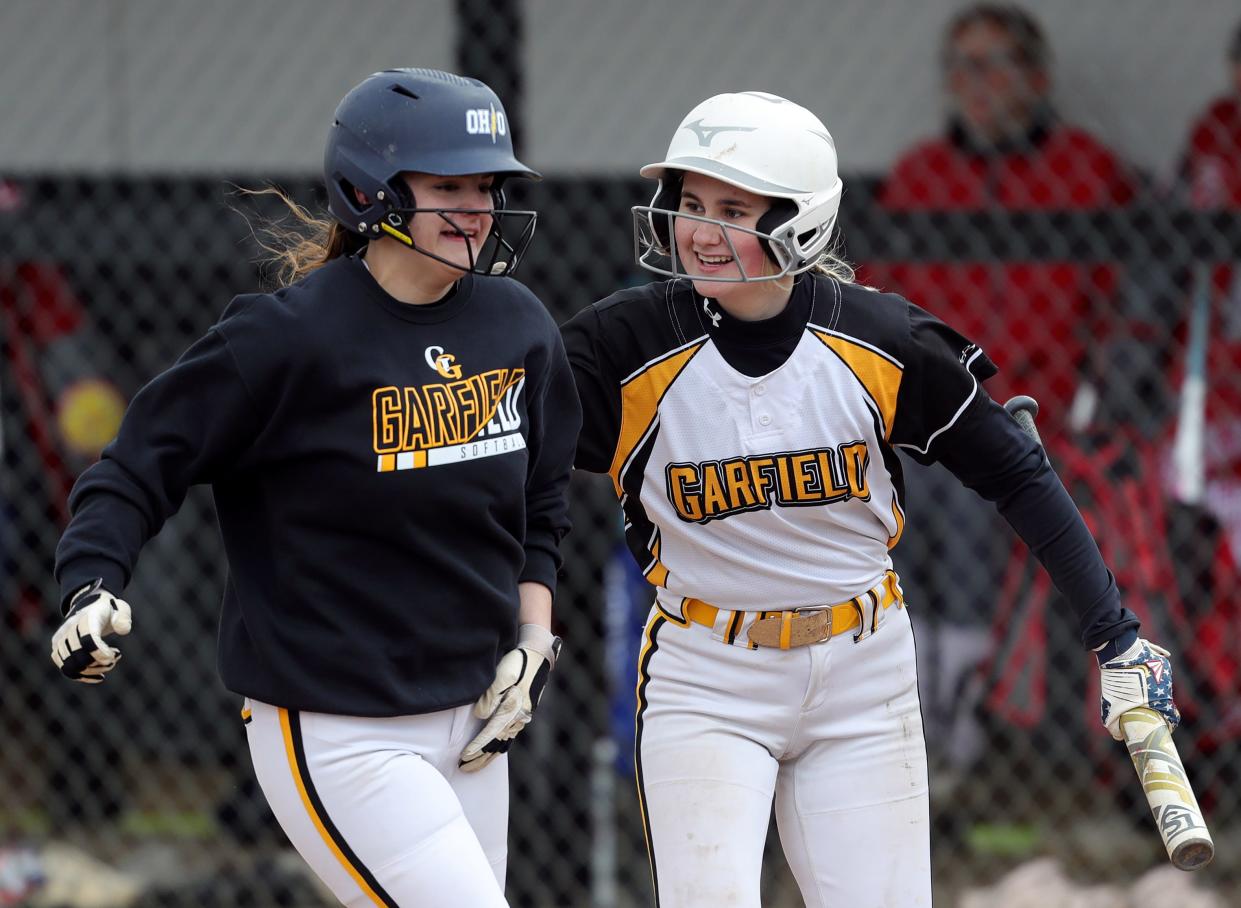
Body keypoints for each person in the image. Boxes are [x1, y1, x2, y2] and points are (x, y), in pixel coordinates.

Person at [559, 90, 1180, 908]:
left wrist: (1116, 640)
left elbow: (1019, 479)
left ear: (802, 219)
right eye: (691, 204)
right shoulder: (619, 343)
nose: (701, 231)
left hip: (861, 670)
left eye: (734, 209)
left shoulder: (881, 340)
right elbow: (508, 461)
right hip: (705, 672)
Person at [47, 67, 580, 907]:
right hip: (339, 731)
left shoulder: (517, 324)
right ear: (370, 191)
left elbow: (541, 504)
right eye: (449, 185)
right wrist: (91, 581)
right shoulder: (286, 339)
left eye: (486, 185)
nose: (477, 208)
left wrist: (534, 637)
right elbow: (136, 465)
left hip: (476, 719)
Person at [865, 2, 1139, 781]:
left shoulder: (1088, 170)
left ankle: (978, 733)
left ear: (1036, 78)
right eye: (959, 66)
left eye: (990, 65)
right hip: (923, 413)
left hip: (1039, 413)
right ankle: (923, 732)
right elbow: (886, 318)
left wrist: (1102, 404)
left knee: (975, 499)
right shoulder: (922, 175)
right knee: (899, 494)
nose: (970, 84)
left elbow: (1127, 311)